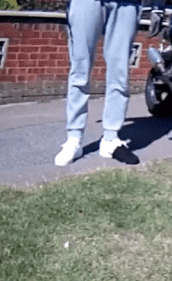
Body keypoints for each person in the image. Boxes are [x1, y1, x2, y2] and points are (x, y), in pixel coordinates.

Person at [55, 0, 142, 166]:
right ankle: (74, 138)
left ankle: (110, 139)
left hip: (128, 4)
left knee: (120, 72)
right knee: (80, 70)